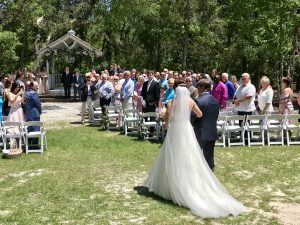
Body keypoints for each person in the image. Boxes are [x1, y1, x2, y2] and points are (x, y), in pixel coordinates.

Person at [144, 86, 248, 218]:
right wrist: (187, 117)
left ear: (176, 93)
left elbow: (168, 115)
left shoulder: (171, 101)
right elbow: (200, 114)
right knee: (189, 154)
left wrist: (166, 122)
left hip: (175, 129)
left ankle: (170, 185)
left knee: (172, 154)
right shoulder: (191, 101)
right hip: (186, 128)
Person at [192, 79, 220, 172]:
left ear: (203, 87)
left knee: (194, 155)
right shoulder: (215, 101)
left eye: (198, 87)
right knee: (209, 157)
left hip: (200, 132)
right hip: (212, 132)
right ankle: (211, 174)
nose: (197, 89)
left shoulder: (198, 101)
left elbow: (192, 117)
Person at [24, 81, 42, 146]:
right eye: (35, 86)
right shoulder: (33, 93)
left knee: (29, 129)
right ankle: (35, 145)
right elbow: (38, 104)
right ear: (31, 86)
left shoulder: (26, 93)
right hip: (35, 113)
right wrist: (40, 111)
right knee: (35, 129)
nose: (37, 87)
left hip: (28, 113)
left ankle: (28, 144)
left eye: (37, 86)